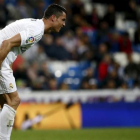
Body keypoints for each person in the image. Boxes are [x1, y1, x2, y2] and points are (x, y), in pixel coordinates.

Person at [0, 3, 67, 140]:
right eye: (63, 20)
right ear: (53, 18)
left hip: (5, 58)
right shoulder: (37, 30)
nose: (64, 24)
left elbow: (11, 48)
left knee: (5, 103)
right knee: (14, 100)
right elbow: (7, 44)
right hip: (2, 57)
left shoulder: (36, 26)